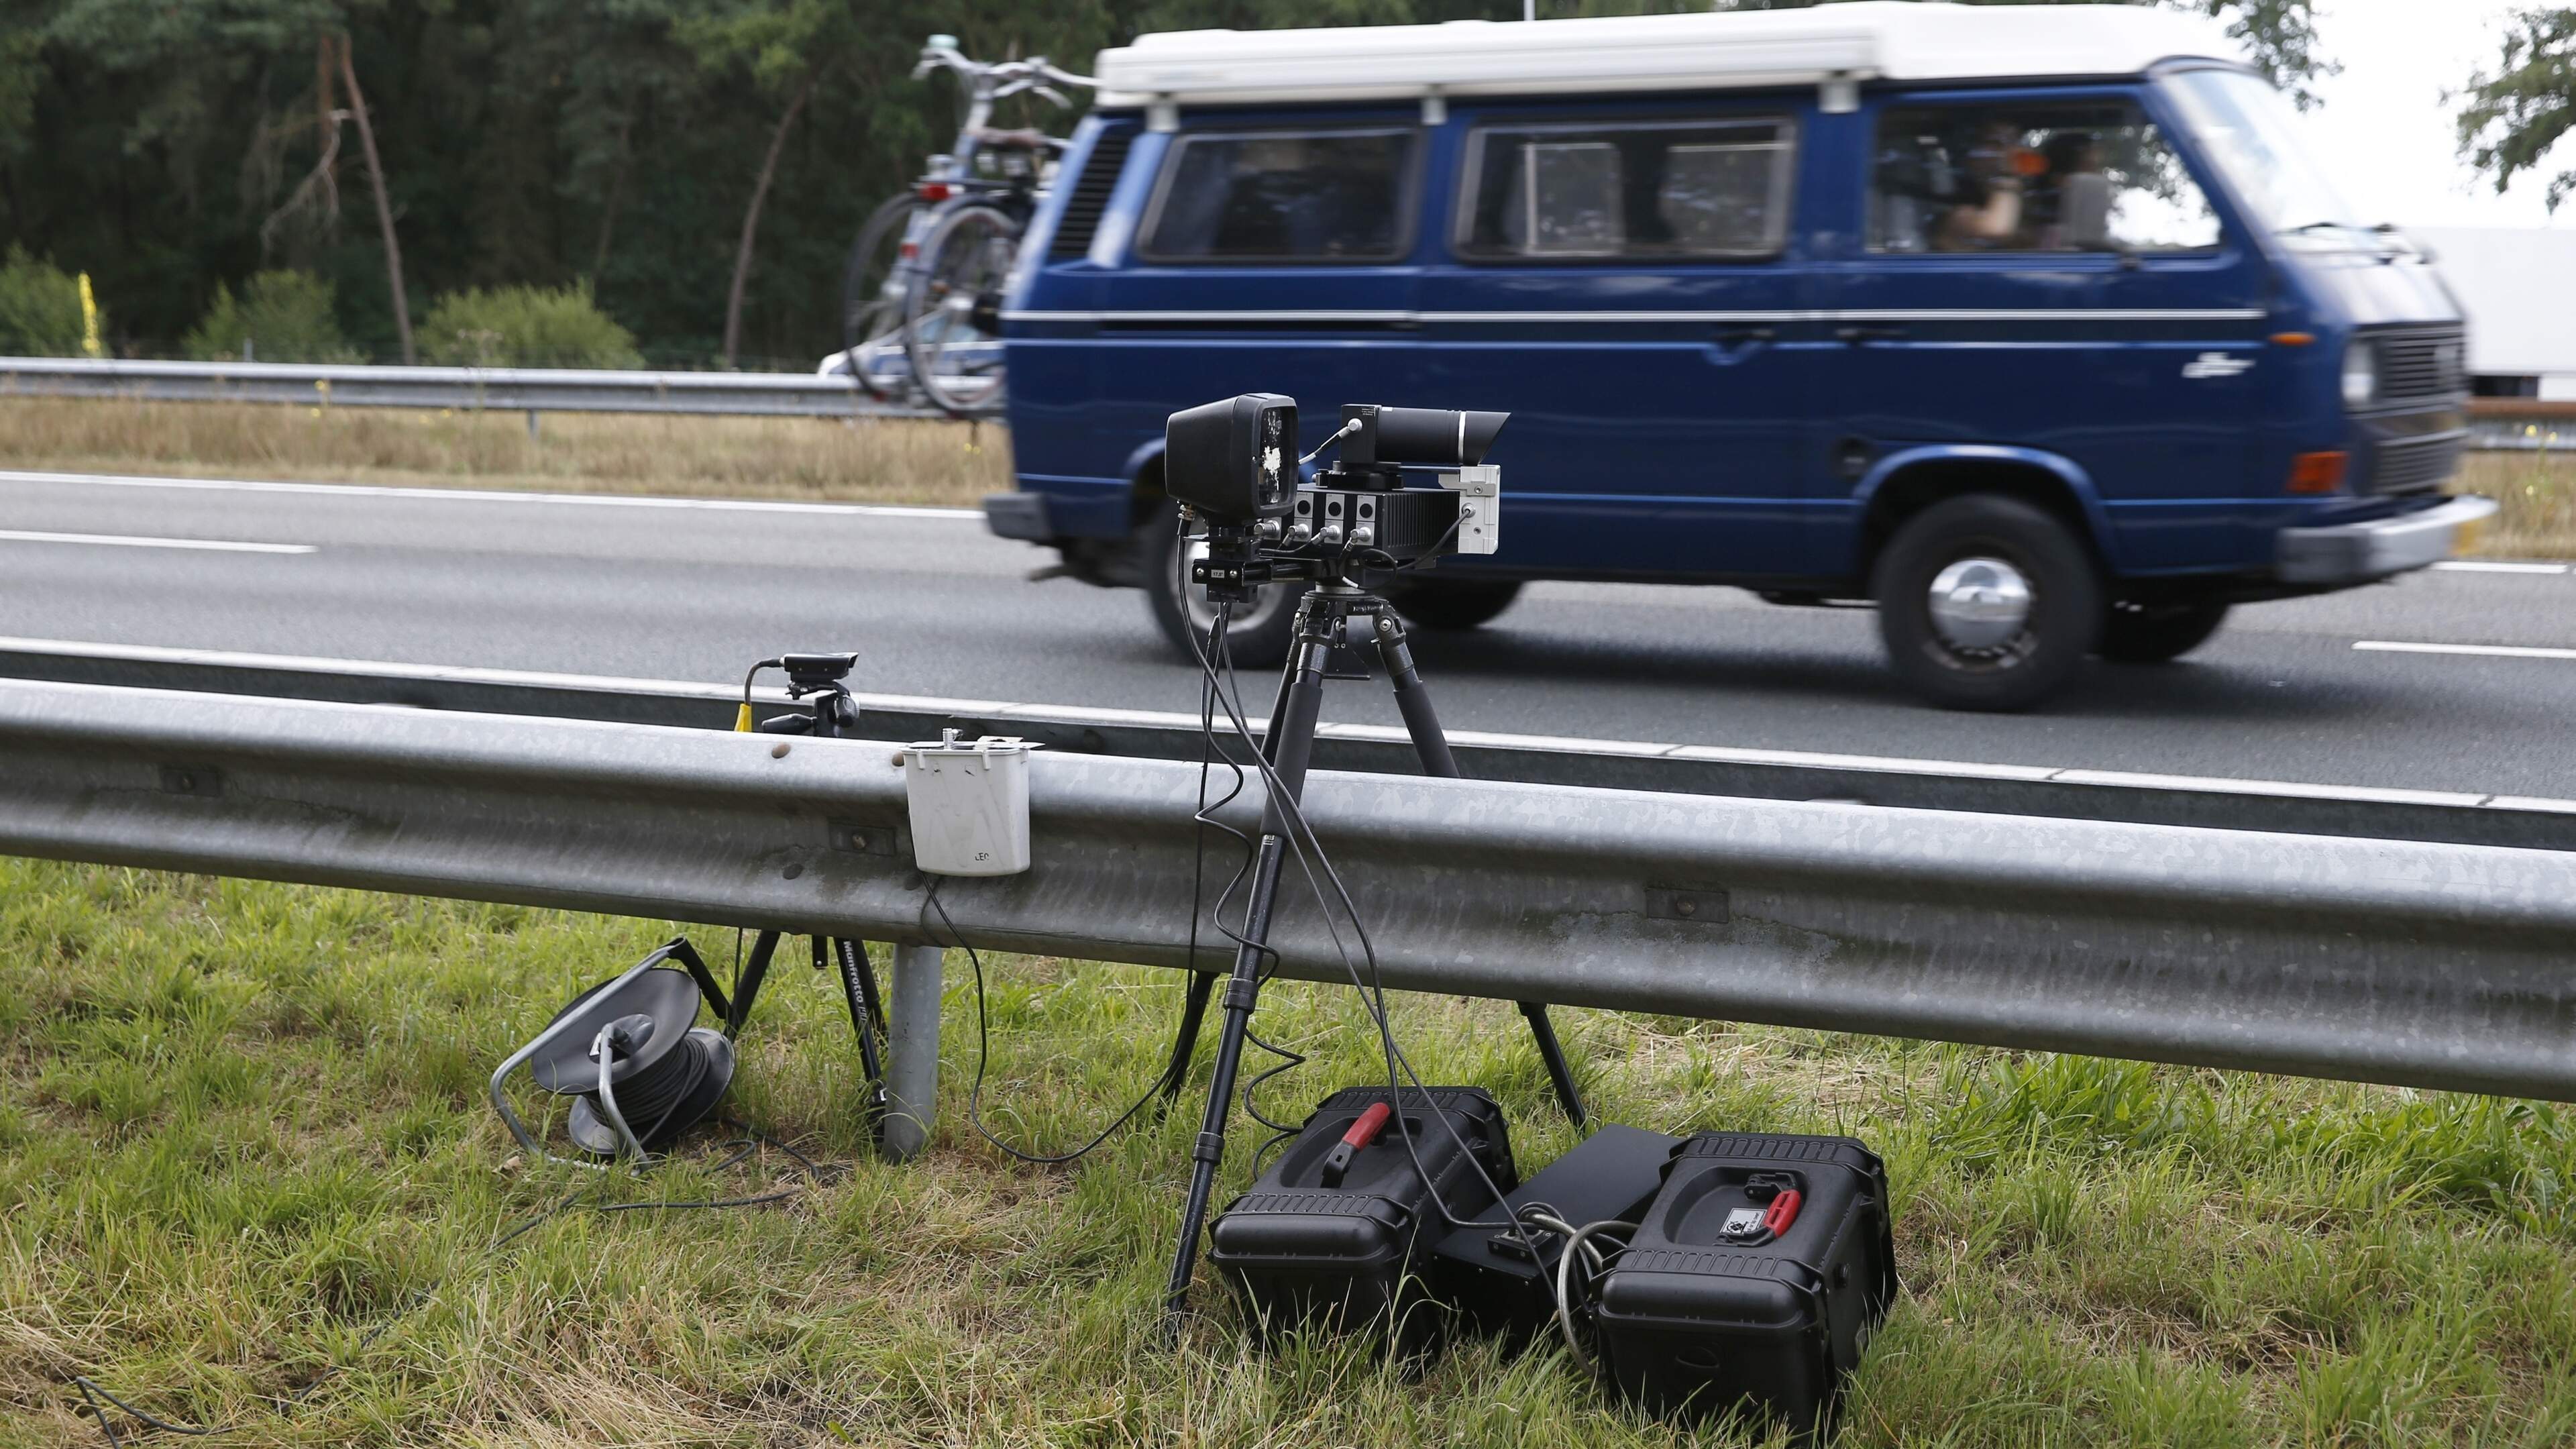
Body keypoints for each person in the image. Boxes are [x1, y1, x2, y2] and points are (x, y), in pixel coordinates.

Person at [1931, 121, 2026, 251]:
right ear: (1971, 158)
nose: (2009, 152)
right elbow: (1998, 229)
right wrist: (2007, 177)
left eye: (2014, 142)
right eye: (1995, 144)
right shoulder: (1959, 216)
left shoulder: (2025, 202)